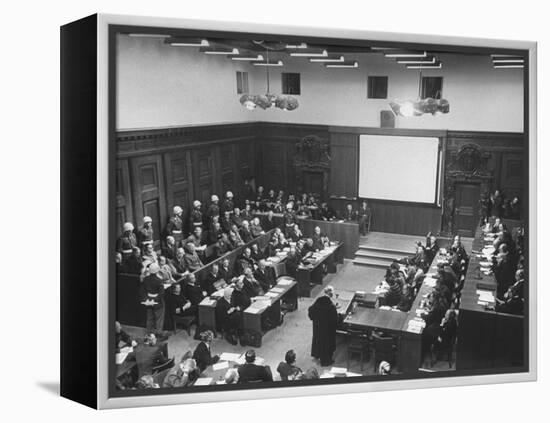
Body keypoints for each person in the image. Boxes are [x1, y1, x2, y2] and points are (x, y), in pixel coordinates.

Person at [308, 286, 338, 366]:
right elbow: (335, 319)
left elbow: (311, 310)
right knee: (326, 344)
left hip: (317, 327)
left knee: (318, 340)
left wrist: (314, 319)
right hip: (327, 330)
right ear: (331, 294)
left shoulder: (318, 300)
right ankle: (325, 361)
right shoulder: (330, 306)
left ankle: (316, 354)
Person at [140, 263, 166, 337]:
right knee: (159, 318)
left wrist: (147, 300)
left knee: (149, 318)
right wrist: (155, 300)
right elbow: (161, 293)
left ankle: (148, 333)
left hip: (148, 300)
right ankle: (158, 333)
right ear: (157, 271)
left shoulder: (145, 279)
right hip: (157, 301)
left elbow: (142, 291)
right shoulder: (159, 280)